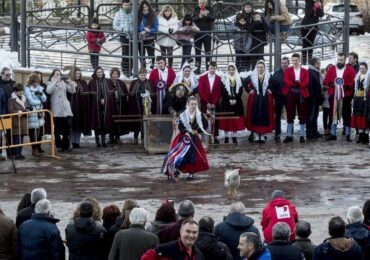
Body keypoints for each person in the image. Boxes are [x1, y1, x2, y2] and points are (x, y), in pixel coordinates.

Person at [162, 96, 210, 181]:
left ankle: (191, 173)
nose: (193, 105)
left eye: (195, 104)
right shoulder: (183, 114)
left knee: (192, 155)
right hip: (184, 137)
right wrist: (185, 131)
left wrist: (197, 131)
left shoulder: (199, 115)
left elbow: (205, 125)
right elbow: (180, 126)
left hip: (194, 139)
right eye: (192, 104)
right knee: (180, 154)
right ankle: (177, 169)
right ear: (188, 104)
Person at [324, 52, 356, 141]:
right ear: (336, 59)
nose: (340, 61)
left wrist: (344, 85)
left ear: (345, 60)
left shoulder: (350, 69)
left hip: (346, 95)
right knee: (333, 114)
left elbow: (353, 82)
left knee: (346, 114)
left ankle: (348, 134)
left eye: (342, 60)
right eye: (339, 59)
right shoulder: (332, 69)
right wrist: (332, 84)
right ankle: (333, 133)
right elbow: (326, 81)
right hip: (333, 95)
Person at [46, 69, 76, 152]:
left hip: (66, 108)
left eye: (59, 74)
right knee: (57, 128)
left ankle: (65, 145)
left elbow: (73, 91)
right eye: (56, 74)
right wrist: (55, 81)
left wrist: (70, 82)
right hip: (56, 109)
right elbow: (49, 91)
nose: (58, 76)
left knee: (67, 127)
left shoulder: (64, 83)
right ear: (53, 75)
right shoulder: (50, 83)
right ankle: (58, 144)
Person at [282, 53, 309, 143]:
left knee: (302, 114)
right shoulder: (288, 70)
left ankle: (302, 135)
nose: (294, 62)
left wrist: (296, 83)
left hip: (301, 93)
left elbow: (306, 83)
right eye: (293, 60)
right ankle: (289, 135)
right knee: (290, 113)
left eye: (296, 60)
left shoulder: (305, 71)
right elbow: (287, 81)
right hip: (290, 93)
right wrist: (296, 83)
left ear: (299, 60)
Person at [245, 60, 274, 143]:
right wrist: (249, 90)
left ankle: (263, 135)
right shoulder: (252, 76)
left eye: (262, 67)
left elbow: (273, 84)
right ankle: (257, 136)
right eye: (259, 67)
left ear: (264, 67)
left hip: (265, 98)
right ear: (256, 68)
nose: (260, 68)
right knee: (256, 115)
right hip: (256, 98)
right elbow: (244, 82)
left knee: (264, 115)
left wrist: (270, 89)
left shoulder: (269, 75)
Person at [88, 66, 116, 148]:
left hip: (106, 105)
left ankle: (103, 140)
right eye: (98, 72)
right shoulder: (92, 82)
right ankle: (97, 140)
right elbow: (91, 94)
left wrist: (105, 99)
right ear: (95, 73)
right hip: (95, 105)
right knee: (97, 122)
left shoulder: (107, 81)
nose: (100, 73)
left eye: (101, 72)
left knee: (104, 122)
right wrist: (100, 99)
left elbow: (111, 92)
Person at [218, 64, 245, 144]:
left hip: (236, 102)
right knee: (227, 119)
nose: (231, 71)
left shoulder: (239, 79)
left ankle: (234, 137)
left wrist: (235, 99)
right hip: (226, 102)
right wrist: (229, 99)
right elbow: (223, 91)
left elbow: (240, 90)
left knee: (235, 120)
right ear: (227, 70)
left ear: (235, 70)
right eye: (229, 69)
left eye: (233, 69)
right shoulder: (224, 79)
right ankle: (226, 137)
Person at [127, 67, 156, 144]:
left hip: (145, 106)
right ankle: (135, 137)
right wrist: (138, 92)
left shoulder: (149, 82)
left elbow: (152, 93)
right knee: (136, 122)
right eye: (141, 75)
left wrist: (147, 94)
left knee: (145, 122)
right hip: (136, 105)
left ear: (146, 75)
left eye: (144, 75)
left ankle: (144, 138)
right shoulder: (134, 82)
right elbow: (131, 93)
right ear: (138, 75)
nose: (142, 77)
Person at [198, 61, 222, 143]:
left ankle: (214, 137)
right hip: (205, 103)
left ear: (216, 69)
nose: (212, 70)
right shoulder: (202, 78)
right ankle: (205, 136)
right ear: (208, 68)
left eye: (214, 68)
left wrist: (214, 103)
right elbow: (201, 91)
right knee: (205, 119)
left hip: (214, 104)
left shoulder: (219, 78)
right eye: (211, 68)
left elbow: (219, 92)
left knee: (214, 120)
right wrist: (207, 102)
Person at [25, 72, 47, 157]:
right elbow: (31, 101)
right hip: (33, 112)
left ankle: (39, 146)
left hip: (40, 111)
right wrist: (39, 101)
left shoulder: (39, 88)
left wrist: (41, 94)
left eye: (37, 82)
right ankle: (34, 149)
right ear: (31, 81)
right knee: (33, 132)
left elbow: (44, 99)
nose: (36, 84)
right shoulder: (27, 89)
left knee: (40, 131)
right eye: (35, 82)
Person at [7, 83, 30, 160]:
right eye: (19, 91)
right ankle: (15, 154)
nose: (21, 92)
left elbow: (26, 107)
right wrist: (17, 112)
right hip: (15, 121)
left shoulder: (24, 98)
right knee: (16, 138)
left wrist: (27, 110)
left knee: (21, 138)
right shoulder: (11, 99)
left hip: (23, 120)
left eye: (22, 90)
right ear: (15, 91)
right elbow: (10, 110)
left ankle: (19, 153)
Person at [192, 0, 215, 74]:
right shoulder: (196, 9)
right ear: (198, 3)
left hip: (207, 33)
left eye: (203, 3)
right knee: (197, 51)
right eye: (200, 3)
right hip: (197, 33)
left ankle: (208, 68)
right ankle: (197, 67)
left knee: (207, 52)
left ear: (206, 3)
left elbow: (213, 18)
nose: (201, 4)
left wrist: (206, 15)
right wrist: (199, 16)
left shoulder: (210, 9)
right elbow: (193, 19)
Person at [70, 67, 90, 149]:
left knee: (79, 125)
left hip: (80, 107)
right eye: (75, 74)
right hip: (71, 107)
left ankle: (77, 142)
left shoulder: (83, 82)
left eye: (78, 73)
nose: (77, 75)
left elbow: (86, 95)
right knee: (72, 125)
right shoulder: (69, 82)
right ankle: (72, 142)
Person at [270, 57, 289, 141]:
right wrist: (275, 94)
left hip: (289, 98)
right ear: (281, 64)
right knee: (277, 116)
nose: (284, 64)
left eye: (285, 63)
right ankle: (277, 133)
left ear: (288, 63)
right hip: (279, 98)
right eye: (283, 63)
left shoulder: (291, 72)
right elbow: (271, 85)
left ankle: (290, 132)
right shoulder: (276, 74)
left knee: (290, 116)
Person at [112, 0, 133, 76]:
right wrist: (122, 30)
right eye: (126, 5)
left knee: (132, 52)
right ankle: (125, 69)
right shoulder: (118, 14)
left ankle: (130, 69)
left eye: (128, 5)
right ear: (122, 5)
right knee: (125, 52)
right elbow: (114, 26)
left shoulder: (132, 13)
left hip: (132, 35)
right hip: (124, 35)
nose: (127, 7)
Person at [109, 67, 129, 145]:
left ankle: (117, 137)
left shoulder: (121, 83)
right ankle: (111, 138)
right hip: (111, 105)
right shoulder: (108, 82)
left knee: (118, 122)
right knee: (111, 121)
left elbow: (125, 93)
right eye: (114, 74)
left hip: (120, 105)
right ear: (111, 74)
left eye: (117, 74)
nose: (115, 76)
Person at [301, 0, 324, 65]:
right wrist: (314, 8)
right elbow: (307, 14)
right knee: (305, 44)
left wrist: (319, 7)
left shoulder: (320, 3)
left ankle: (310, 60)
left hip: (314, 28)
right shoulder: (309, 2)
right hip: (305, 27)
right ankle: (304, 61)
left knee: (311, 44)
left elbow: (322, 15)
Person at [351, 62, 369, 144]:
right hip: (358, 98)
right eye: (360, 68)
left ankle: (366, 135)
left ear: (366, 68)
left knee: (365, 116)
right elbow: (355, 88)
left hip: (366, 99)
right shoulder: (357, 76)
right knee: (359, 116)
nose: (361, 70)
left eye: (363, 68)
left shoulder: (368, 76)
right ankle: (361, 135)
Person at [306, 57, 324, 139]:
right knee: (311, 115)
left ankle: (315, 131)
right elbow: (311, 86)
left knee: (315, 115)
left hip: (316, 98)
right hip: (311, 98)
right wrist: (315, 96)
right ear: (313, 64)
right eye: (318, 63)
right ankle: (309, 133)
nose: (319, 65)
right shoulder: (310, 72)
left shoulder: (316, 72)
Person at [138, 0, 158, 68]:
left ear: (148, 7)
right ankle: (143, 68)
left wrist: (148, 31)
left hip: (150, 38)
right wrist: (141, 30)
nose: (145, 8)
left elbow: (156, 28)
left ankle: (151, 67)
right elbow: (136, 25)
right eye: (143, 7)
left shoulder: (153, 15)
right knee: (141, 54)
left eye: (146, 7)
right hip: (141, 38)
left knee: (151, 54)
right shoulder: (138, 15)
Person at [0, 67, 15, 159]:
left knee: (10, 133)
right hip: (2, 111)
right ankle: (0, 153)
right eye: (7, 75)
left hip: (10, 112)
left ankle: (11, 153)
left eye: (10, 74)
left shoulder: (13, 84)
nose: (9, 76)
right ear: (2, 74)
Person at [321, 64, 333, 137]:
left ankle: (330, 128)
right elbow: (321, 86)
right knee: (325, 114)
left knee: (331, 115)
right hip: (325, 97)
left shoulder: (335, 76)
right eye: (329, 68)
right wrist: (325, 87)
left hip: (332, 97)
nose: (330, 70)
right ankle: (325, 129)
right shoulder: (323, 76)